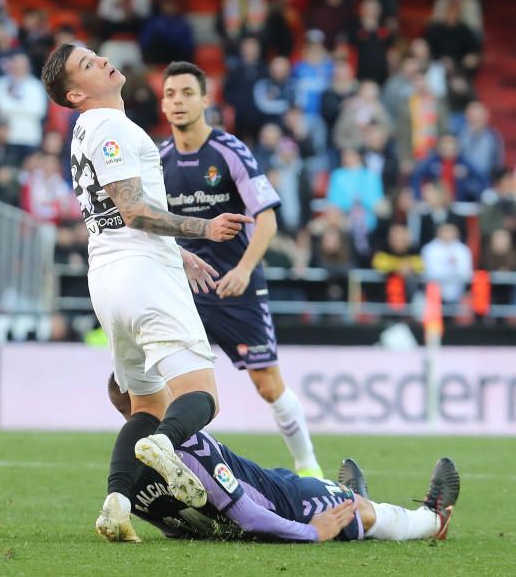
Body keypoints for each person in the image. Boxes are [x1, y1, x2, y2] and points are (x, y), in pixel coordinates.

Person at [41, 43, 253, 543]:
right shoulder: (110, 127)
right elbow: (133, 211)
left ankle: (117, 503)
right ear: (75, 92)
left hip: (109, 278)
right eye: (87, 65)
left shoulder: (86, 133)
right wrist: (203, 228)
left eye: (95, 54)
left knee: (146, 406)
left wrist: (177, 252)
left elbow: (114, 217)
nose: (102, 60)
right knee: (200, 395)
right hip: (142, 275)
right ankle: (163, 447)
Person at [159, 61, 322, 478]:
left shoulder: (229, 151)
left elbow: (266, 218)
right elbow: (149, 224)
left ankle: (308, 467)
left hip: (236, 285)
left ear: (206, 100)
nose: (178, 101)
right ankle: (174, 471)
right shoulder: (157, 159)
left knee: (268, 384)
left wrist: (245, 270)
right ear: (163, 103)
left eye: (187, 93)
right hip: (184, 289)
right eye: (171, 94)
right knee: (170, 387)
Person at [109, 375, 461, 543]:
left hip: (260, 482)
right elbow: (249, 516)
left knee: (288, 480)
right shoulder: (184, 442)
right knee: (362, 512)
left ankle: (338, 489)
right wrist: (310, 532)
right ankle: (432, 519)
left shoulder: (122, 485)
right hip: (283, 504)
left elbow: (174, 527)